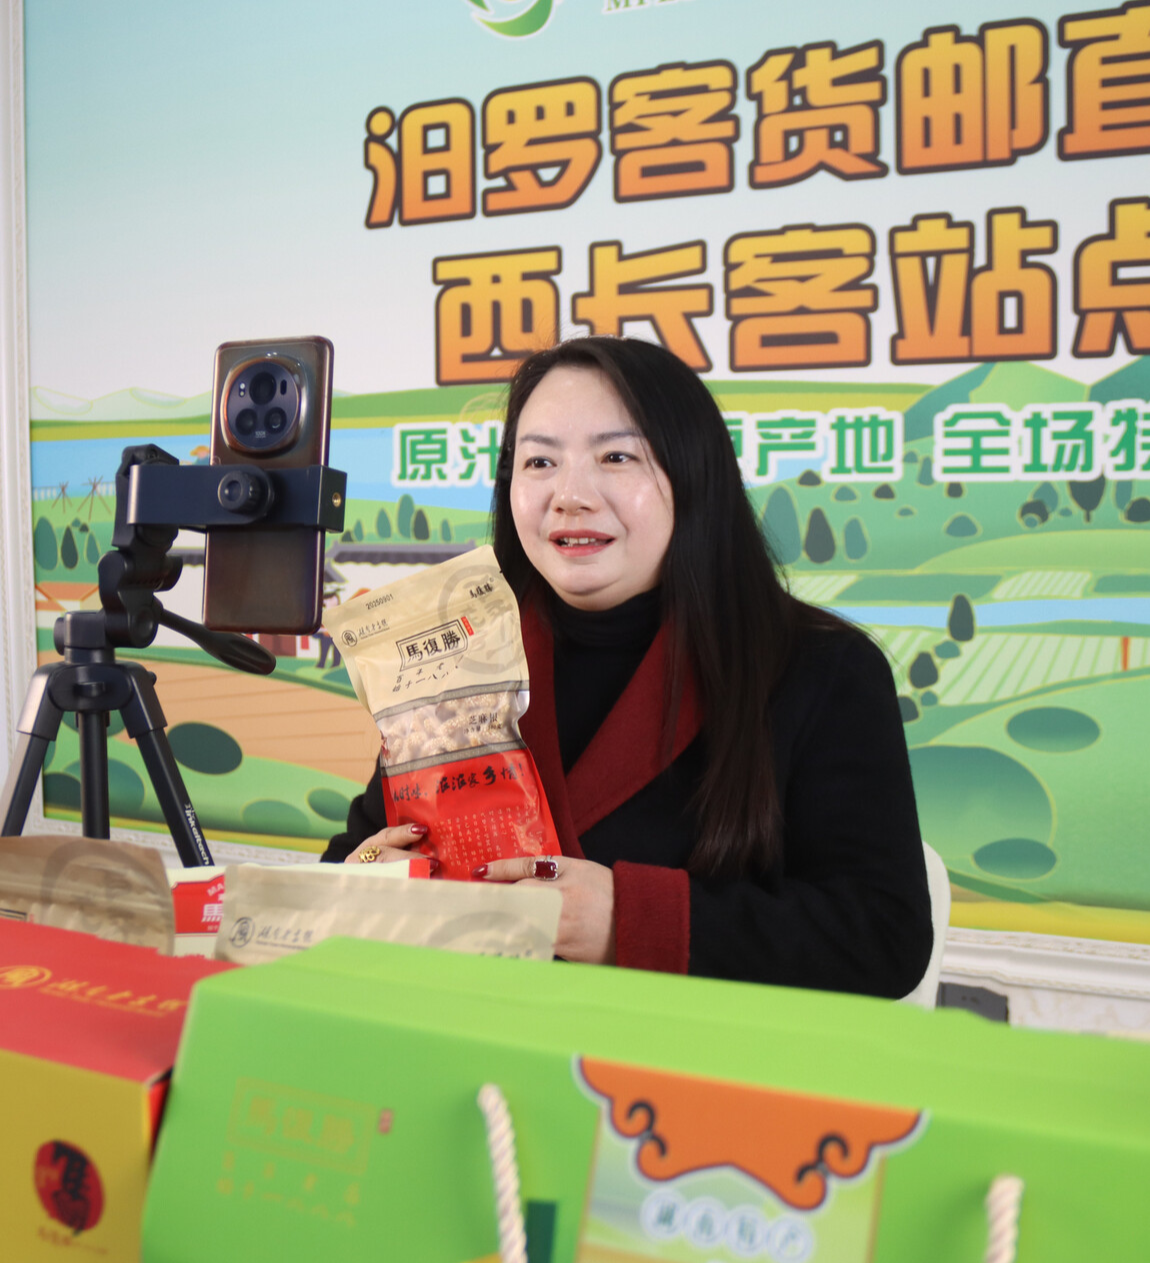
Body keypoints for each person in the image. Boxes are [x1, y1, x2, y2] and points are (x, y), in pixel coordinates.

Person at [323, 337, 932, 998]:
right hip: (471, 1036)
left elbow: (884, 936)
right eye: (539, 461)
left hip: (685, 1054)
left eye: (616, 456)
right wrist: (362, 883)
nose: (569, 495)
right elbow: (355, 855)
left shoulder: (822, 668)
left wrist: (629, 922)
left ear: (694, 474)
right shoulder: (459, 660)